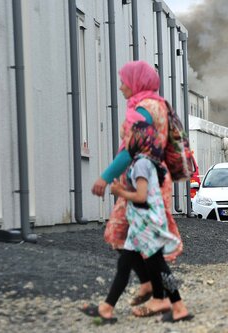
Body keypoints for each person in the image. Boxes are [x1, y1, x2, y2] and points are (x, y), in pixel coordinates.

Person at [85, 60, 188, 323]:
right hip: (152, 182)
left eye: (124, 81)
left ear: (136, 82)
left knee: (126, 238)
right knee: (136, 247)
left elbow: (132, 148)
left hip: (142, 186)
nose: (120, 87)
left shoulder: (142, 113)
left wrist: (107, 179)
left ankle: (162, 297)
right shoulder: (159, 105)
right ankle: (151, 295)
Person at [110, 149, 192, 323]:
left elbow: (141, 196)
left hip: (145, 223)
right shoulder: (145, 163)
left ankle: (177, 306)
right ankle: (106, 308)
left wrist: (120, 191)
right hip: (140, 223)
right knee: (126, 262)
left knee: (158, 266)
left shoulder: (141, 164)